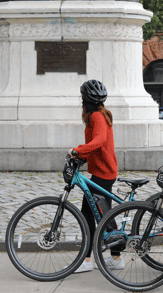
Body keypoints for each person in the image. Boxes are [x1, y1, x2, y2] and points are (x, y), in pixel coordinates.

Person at [68, 80, 123, 273]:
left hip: (104, 173)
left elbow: (99, 141)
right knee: (103, 212)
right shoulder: (98, 115)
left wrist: (78, 150)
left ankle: (87, 259)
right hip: (104, 171)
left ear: (84, 99)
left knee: (89, 214)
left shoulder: (97, 117)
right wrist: (82, 156)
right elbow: (96, 144)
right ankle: (115, 256)